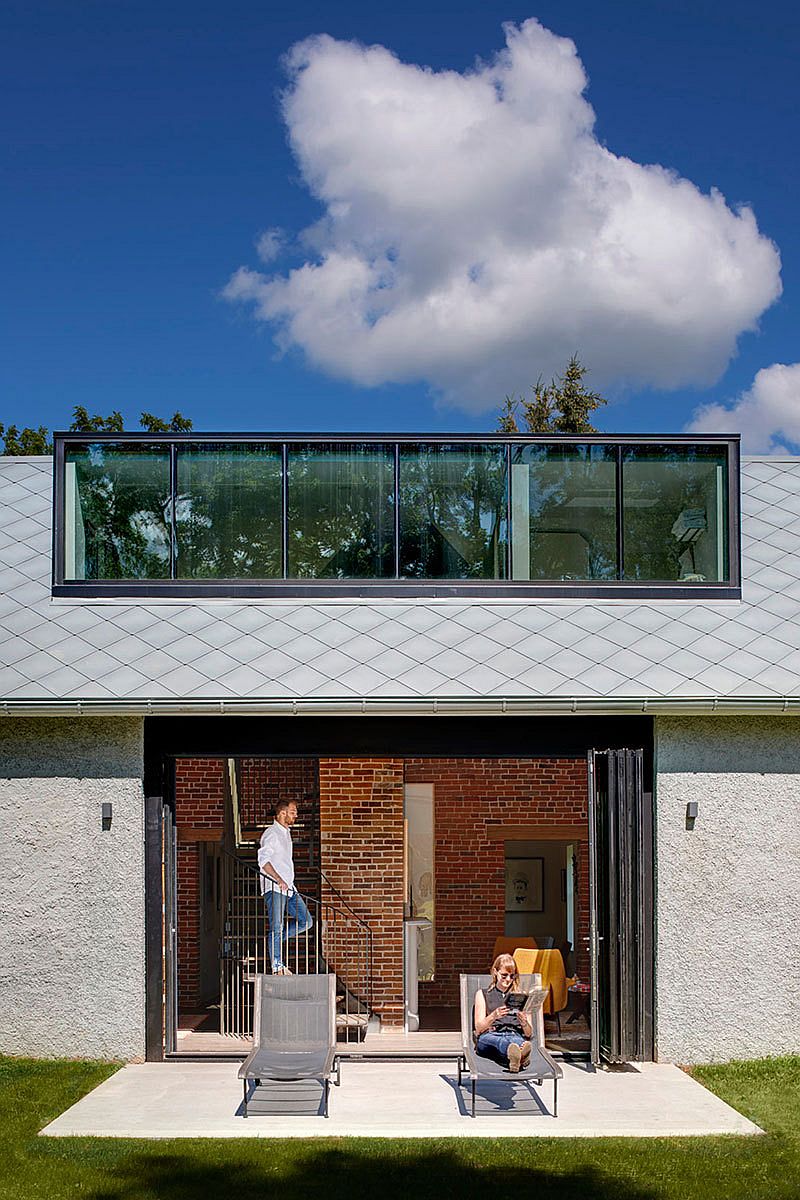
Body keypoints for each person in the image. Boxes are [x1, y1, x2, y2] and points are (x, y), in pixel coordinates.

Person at [258, 798, 313, 975]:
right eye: (292, 811)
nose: (296, 814)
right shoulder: (271, 833)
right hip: (275, 887)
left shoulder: (285, 833)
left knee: (306, 921)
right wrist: (278, 879)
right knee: (277, 925)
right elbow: (263, 861)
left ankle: (274, 940)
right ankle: (277, 966)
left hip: (289, 888)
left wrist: (288, 882)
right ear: (282, 813)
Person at [473, 953, 532, 1072]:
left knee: (518, 1041)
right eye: (504, 975)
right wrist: (494, 1016)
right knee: (502, 1041)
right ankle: (520, 1056)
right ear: (495, 972)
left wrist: (524, 1023)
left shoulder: (521, 997)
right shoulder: (483, 994)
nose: (508, 980)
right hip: (489, 1035)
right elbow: (479, 1029)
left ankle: (517, 1057)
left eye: (512, 976)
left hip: (513, 1033)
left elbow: (529, 1034)